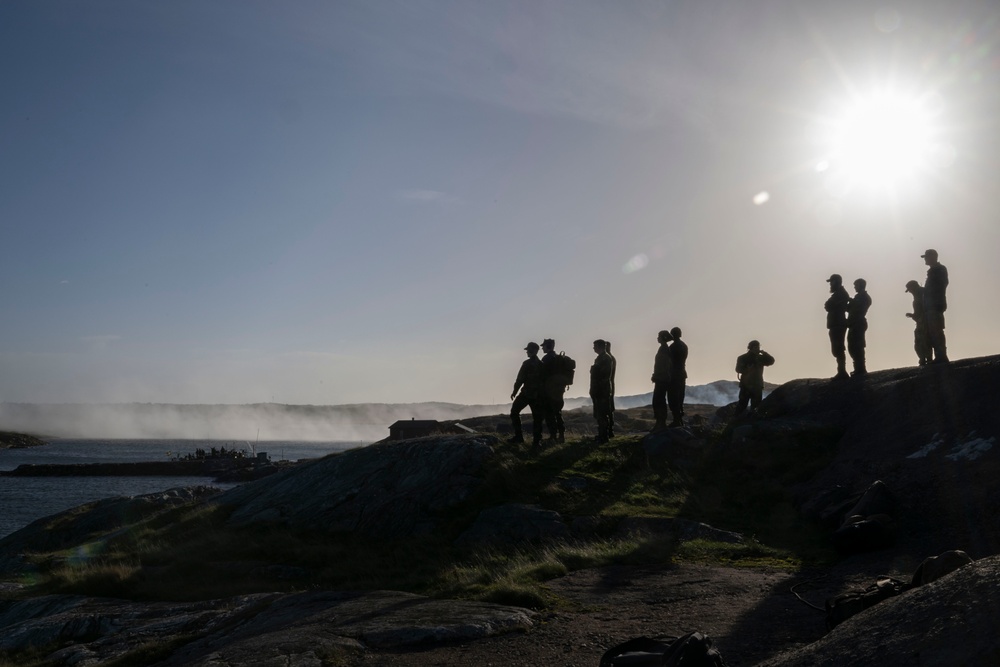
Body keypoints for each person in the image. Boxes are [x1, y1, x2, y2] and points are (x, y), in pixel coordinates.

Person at [509, 342, 544, 446]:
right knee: (537, 418)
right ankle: (537, 441)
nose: (527, 352)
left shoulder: (527, 363)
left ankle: (519, 437)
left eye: (528, 350)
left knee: (514, 412)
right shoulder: (542, 365)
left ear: (532, 350)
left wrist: (514, 391)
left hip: (526, 394)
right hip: (538, 395)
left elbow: (520, 379)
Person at [922, 249, 949, 363]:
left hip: (935, 304)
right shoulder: (934, 270)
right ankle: (939, 356)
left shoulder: (939, 270)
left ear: (933, 257)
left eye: (927, 257)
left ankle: (941, 356)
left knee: (936, 331)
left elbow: (940, 285)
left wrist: (926, 291)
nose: (925, 259)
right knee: (932, 332)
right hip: (932, 305)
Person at [735, 340, 774, 415]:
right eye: (755, 347)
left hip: (757, 385)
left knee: (756, 406)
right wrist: (747, 370)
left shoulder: (760, 358)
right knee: (742, 405)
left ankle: (753, 422)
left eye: (758, 347)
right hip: (746, 385)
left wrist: (765, 354)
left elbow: (771, 361)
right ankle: (735, 422)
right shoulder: (743, 358)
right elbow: (738, 369)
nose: (757, 349)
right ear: (751, 348)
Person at [540, 338, 566, 443]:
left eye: (543, 346)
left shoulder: (547, 358)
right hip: (559, 390)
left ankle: (553, 435)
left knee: (549, 414)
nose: (542, 348)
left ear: (548, 346)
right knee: (558, 413)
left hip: (549, 391)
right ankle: (561, 435)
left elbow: (542, 374)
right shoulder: (558, 358)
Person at [825, 274, 850, 379]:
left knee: (838, 348)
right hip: (835, 324)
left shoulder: (841, 294)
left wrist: (830, 305)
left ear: (836, 282)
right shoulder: (838, 294)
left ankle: (842, 372)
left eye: (831, 282)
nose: (830, 284)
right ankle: (841, 371)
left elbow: (828, 305)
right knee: (836, 349)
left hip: (838, 324)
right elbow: (828, 305)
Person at [590, 339, 615, 443]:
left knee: (602, 413)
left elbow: (603, 375)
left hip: (602, 389)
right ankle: (602, 434)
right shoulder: (600, 358)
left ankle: (604, 436)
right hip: (599, 389)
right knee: (600, 413)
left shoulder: (605, 358)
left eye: (595, 346)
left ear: (600, 346)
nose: (593, 348)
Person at [847, 278, 872, 376]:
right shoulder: (859, 297)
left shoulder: (864, 297)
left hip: (858, 323)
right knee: (852, 347)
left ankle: (860, 368)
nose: (854, 287)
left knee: (858, 346)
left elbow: (859, 309)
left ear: (861, 285)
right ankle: (857, 368)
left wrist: (851, 301)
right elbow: (850, 309)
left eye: (856, 285)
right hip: (853, 323)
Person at [905, 279, 932, 366]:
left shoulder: (921, 295)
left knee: (922, 341)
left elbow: (923, 310)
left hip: (924, 321)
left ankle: (925, 359)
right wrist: (913, 315)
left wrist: (914, 316)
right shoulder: (922, 294)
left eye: (910, 290)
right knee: (923, 341)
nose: (910, 292)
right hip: (923, 321)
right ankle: (926, 359)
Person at [650, 330, 673, 430]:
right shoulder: (663, 348)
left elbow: (663, 365)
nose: (657, 338)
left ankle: (661, 423)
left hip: (662, 378)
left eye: (659, 336)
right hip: (661, 378)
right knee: (658, 400)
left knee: (659, 400)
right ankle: (660, 422)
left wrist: (657, 375)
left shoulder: (664, 349)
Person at [667, 327, 688, 427]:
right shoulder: (684, 346)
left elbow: (670, 361)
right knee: (680, 397)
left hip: (674, 375)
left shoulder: (673, 346)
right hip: (682, 373)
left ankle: (677, 419)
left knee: (673, 398)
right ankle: (679, 419)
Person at [606, 341, 618, 438]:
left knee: (608, 408)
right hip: (610, 385)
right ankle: (609, 430)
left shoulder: (609, 359)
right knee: (609, 408)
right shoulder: (611, 358)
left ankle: (609, 430)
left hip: (608, 386)